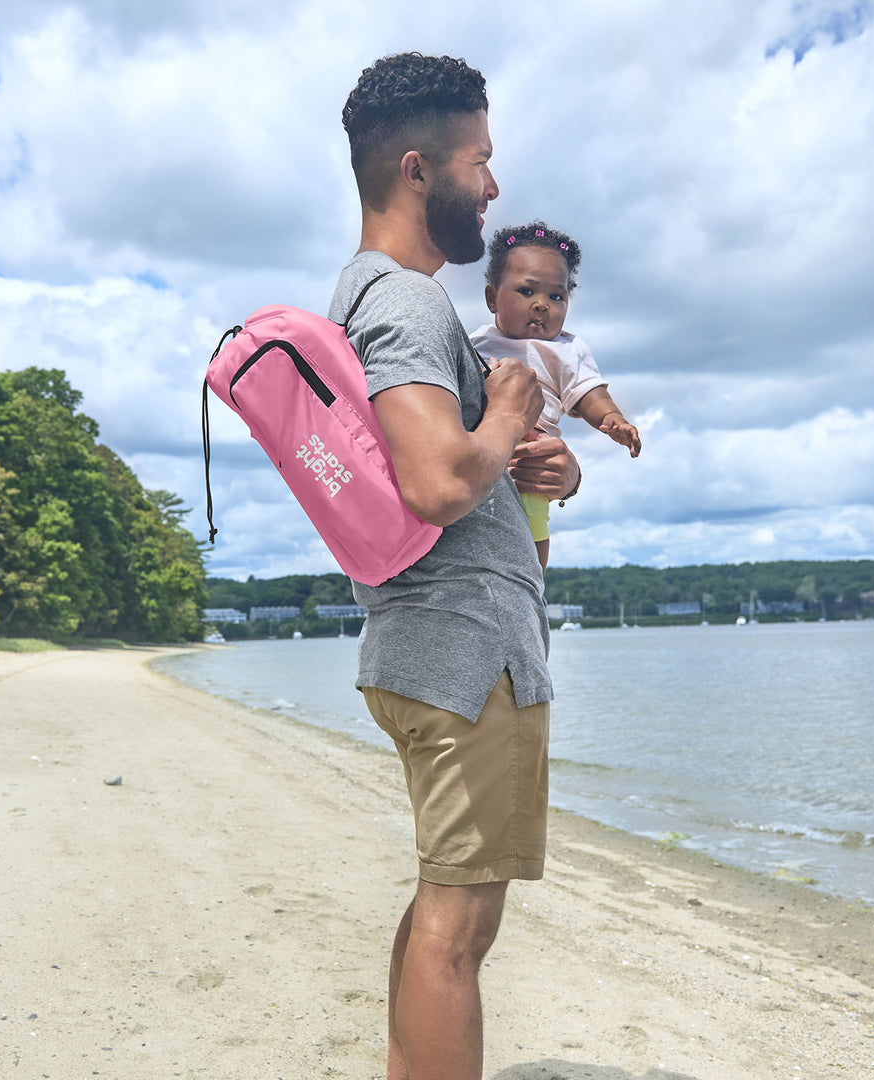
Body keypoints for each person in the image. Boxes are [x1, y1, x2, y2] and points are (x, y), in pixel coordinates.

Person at [329, 53, 581, 1080]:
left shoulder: (390, 299)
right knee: (460, 929)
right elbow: (438, 484)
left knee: (444, 905)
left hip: (440, 646)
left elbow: (449, 472)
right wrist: (511, 408)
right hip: (466, 652)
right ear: (418, 168)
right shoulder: (404, 301)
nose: (495, 185)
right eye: (481, 161)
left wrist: (542, 467)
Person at [470, 222, 641, 570]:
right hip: (480, 452)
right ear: (492, 298)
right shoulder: (475, 344)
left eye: (556, 296)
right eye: (526, 291)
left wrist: (613, 420)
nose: (541, 305)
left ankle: (532, 585)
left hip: (531, 460)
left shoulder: (565, 349)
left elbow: (590, 393)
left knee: (533, 532)